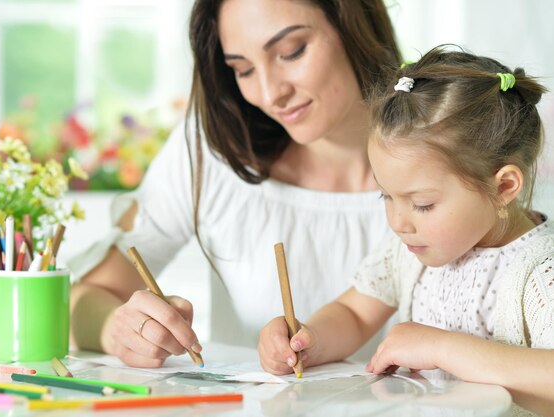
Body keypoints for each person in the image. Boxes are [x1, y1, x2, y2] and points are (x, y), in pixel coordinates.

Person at [69, 0, 401, 368]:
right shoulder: (213, 152)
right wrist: (116, 328)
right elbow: (79, 300)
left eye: (292, 52)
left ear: (355, 23)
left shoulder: (451, 153)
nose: (270, 93)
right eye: (242, 70)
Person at [257, 45, 553, 416]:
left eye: (423, 204)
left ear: (503, 187)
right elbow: (354, 313)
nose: (398, 221)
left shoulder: (541, 270)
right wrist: (306, 340)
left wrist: (443, 348)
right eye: (387, 195)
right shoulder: (410, 251)